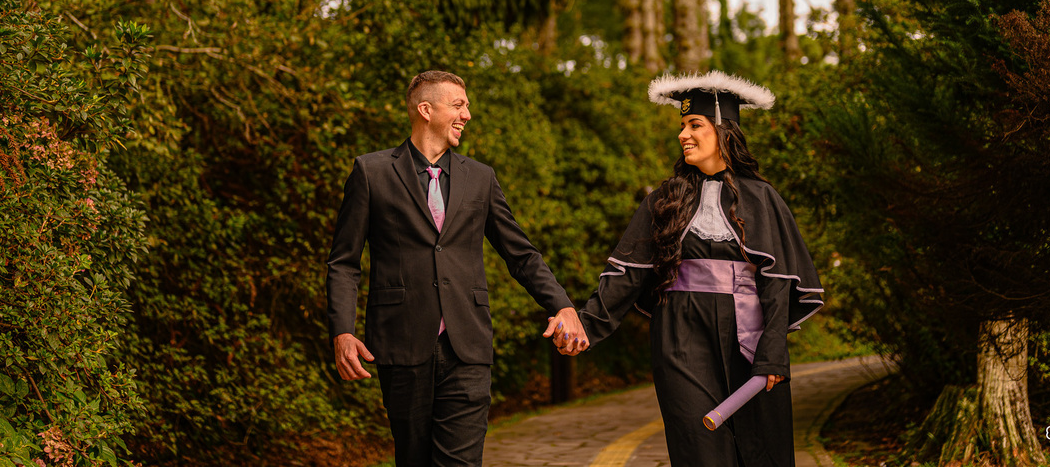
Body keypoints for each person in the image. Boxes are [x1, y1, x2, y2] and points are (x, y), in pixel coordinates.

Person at [326, 70, 587, 467]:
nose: (468, 114)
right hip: (400, 342)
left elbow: (521, 254)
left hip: (467, 344)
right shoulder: (371, 172)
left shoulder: (480, 178)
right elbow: (344, 262)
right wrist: (343, 330)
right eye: (459, 105)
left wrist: (562, 304)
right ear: (425, 109)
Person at [567, 71, 824, 467]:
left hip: (750, 338)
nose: (684, 134)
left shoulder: (762, 197)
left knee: (762, 450)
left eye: (695, 125)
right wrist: (585, 324)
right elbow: (628, 273)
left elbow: (778, 284)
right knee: (698, 448)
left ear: (725, 130)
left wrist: (773, 351)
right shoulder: (666, 199)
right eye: (682, 126)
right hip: (680, 337)